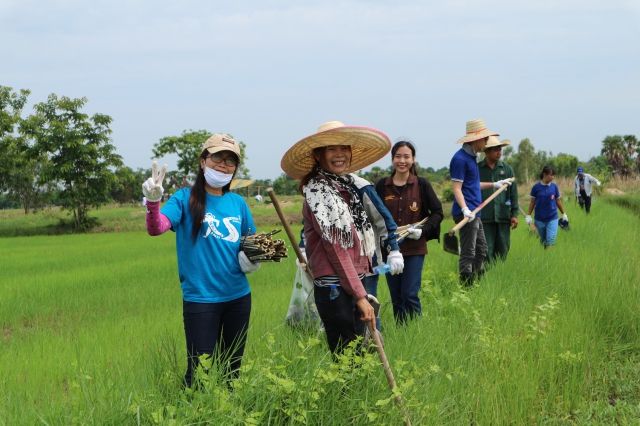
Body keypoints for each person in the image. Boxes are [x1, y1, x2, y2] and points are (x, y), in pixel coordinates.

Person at [142, 133, 260, 387]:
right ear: (203, 160)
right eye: (218, 157)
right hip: (201, 299)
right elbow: (157, 227)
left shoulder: (238, 203)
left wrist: (254, 258)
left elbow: (251, 242)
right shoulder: (185, 199)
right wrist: (154, 203)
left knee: (232, 369)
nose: (224, 165)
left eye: (230, 161)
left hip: (238, 297)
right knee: (198, 372)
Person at [280, 120, 404, 355]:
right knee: (348, 356)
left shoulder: (348, 187)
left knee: (361, 353)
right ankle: (347, 393)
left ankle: (358, 392)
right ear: (318, 155)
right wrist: (360, 296)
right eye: (331, 149)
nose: (339, 154)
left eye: (343, 148)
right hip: (336, 288)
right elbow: (337, 250)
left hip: (354, 280)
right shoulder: (319, 192)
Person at [365, 140, 443, 324]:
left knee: (409, 294)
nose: (402, 160)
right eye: (398, 156)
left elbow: (438, 213)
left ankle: (416, 329)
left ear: (413, 159)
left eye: (406, 156)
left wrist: (422, 230)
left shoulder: (421, 184)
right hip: (390, 250)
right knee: (397, 297)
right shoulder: (382, 186)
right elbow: (373, 215)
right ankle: (403, 331)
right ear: (392, 159)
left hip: (414, 248)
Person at [449, 119, 513, 287]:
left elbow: (472, 185)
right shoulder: (460, 159)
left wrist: (494, 184)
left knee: (482, 249)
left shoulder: (471, 158)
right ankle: (466, 287)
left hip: (475, 212)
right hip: (467, 214)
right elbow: (456, 188)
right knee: (469, 252)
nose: (486, 142)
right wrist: (464, 209)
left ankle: (477, 282)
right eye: (484, 139)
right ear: (475, 139)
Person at [478, 136, 519, 262]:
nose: (499, 152)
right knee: (486, 249)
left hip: (503, 216)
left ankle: (499, 272)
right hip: (484, 217)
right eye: (495, 150)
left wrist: (514, 214)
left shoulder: (507, 169)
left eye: (500, 149)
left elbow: (513, 194)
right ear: (487, 151)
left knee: (503, 248)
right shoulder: (477, 169)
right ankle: (487, 275)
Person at [525, 165, 569, 248]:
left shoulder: (554, 187)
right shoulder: (536, 187)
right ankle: (545, 257)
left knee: (551, 241)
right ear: (545, 174)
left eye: (554, 175)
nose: (553, 177)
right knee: (543, 242)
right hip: (539, 219)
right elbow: (532, 202)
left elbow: (558, 201)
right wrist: (528, 215)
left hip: (552, 218)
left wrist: (564, 214)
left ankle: (551, 256)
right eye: (551, 175)